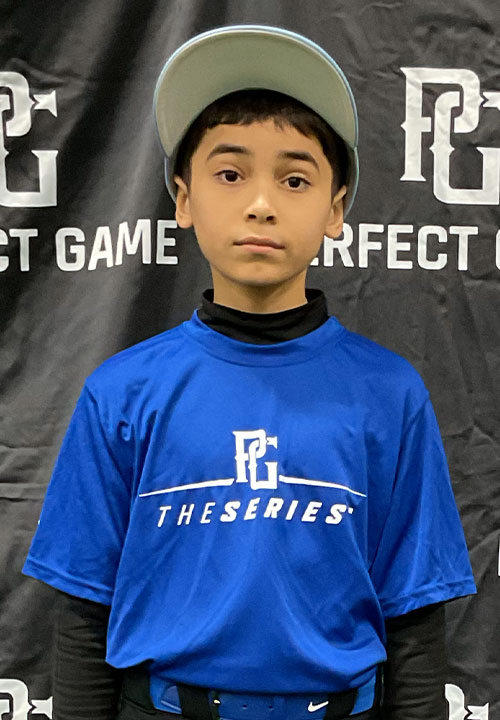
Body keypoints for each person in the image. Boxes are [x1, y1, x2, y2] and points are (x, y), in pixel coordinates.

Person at [23, 24, 476, 720]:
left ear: (335, 209)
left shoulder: (389, 393)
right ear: (182, 199)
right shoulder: (122, 392)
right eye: (230, 174)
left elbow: (414, 624)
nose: (261, 203)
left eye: (294, 179)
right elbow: (84, 613)